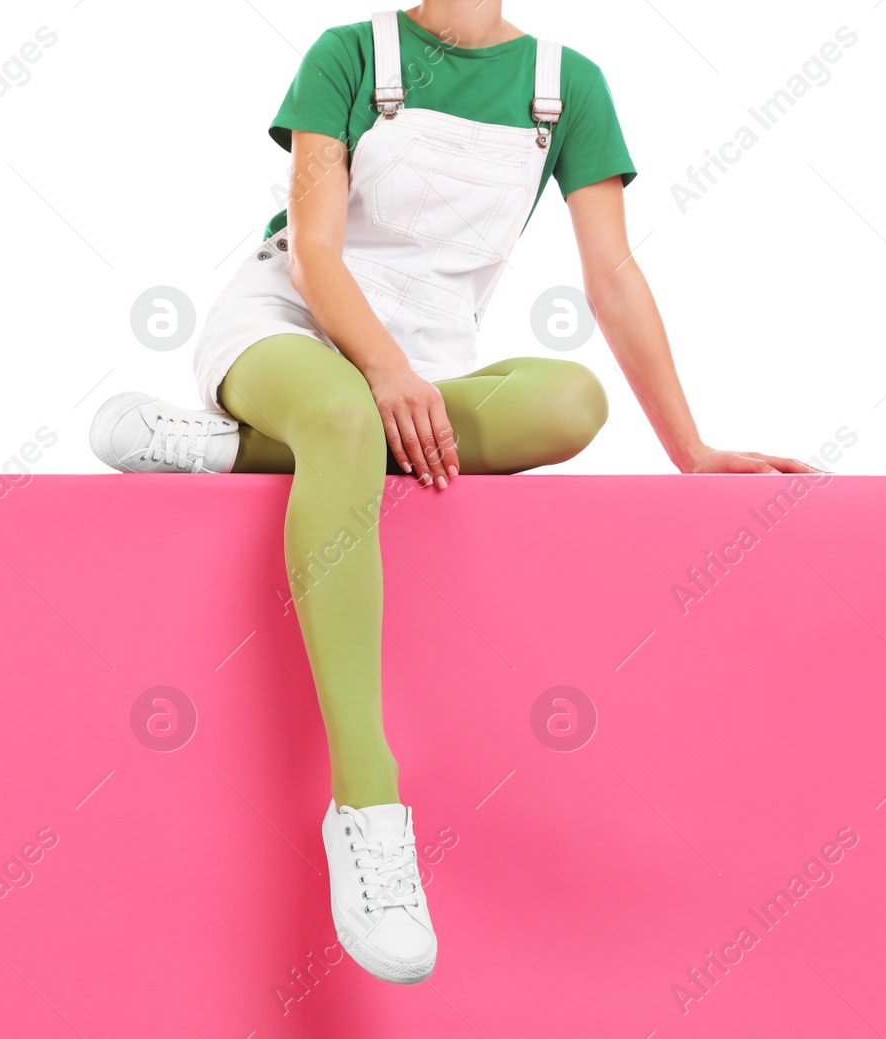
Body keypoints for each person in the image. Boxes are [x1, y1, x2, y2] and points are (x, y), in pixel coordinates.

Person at [90, 2, 820, 984]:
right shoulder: (350, 54)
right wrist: (380, 371)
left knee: (569, 399)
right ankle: (368, 805)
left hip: (425, 368)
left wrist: (689, 449)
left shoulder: (568, 87)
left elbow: (610, 273)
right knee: (344, 416)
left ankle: (234, 453)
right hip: (289, 330)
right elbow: (314, 246)